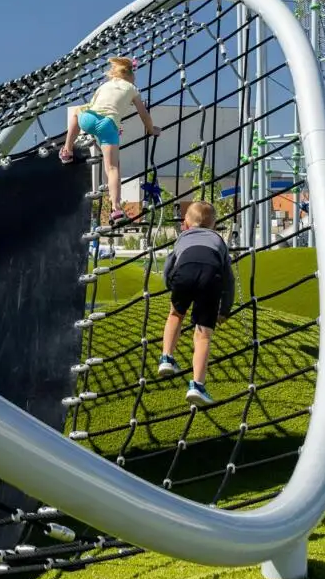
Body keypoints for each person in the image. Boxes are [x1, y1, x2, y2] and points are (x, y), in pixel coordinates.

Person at [59, 57, 160, 222]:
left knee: (77, 112)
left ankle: (67, 151)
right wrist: (151, 130)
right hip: (108, 126)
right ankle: (116, 209)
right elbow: (144, 115)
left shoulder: (104, 85)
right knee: (112, 168)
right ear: (129, 74)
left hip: (90, 118)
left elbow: (92, 106)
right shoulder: (132, 89)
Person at [158, 201, 234, 406]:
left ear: (186, 224)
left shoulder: (183, 237)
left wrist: (170, 286)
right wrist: (225, 309)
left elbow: (169, 266)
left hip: (184, 273)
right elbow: (229, 278)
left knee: (175, 315)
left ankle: (166, 358)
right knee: (203, 336)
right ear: (214, 225)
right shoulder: (218, 240)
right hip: (211, 277)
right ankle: (197, 386)